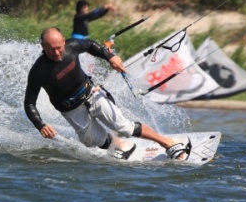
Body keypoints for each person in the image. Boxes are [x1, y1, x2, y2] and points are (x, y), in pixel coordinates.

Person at [23, 27, 190, 160]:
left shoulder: (72, 46)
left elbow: (90, 45)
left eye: (59, 48)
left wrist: (110, 57)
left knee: (123, 126)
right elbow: (29, 103)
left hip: (91, 93)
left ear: (64, 42)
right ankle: (117, 143)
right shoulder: (39, 71)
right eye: (51, 50)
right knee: (90, 141)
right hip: (71, 109)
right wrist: (41, 125)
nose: (57, 53)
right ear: (42, 47)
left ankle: (167, 143)